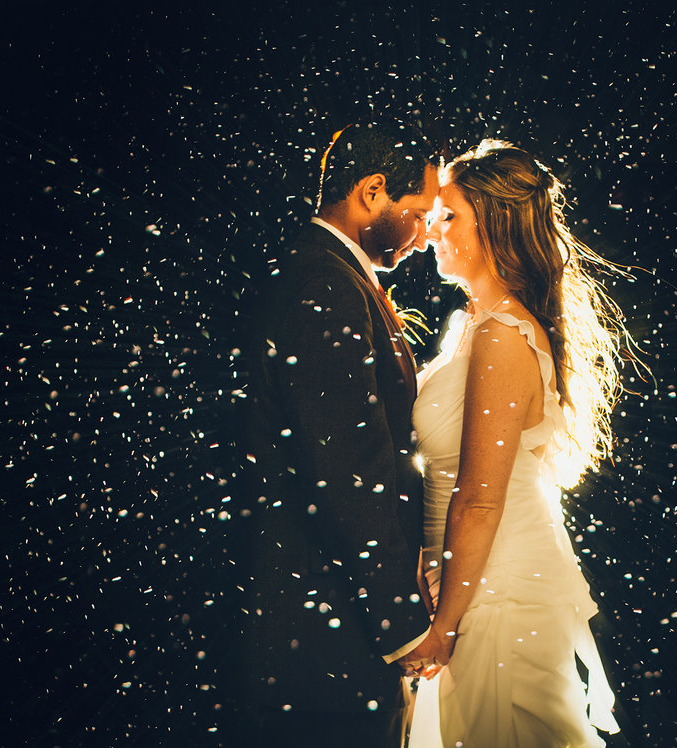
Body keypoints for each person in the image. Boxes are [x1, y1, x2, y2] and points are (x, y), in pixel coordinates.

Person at [403, 140, 628, 747]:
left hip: (493, 589)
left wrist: (447, 623)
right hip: (468, 578)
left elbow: (479, 496)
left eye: (450, 217)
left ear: (496, 233)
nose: (431, 230)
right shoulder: (474, 325)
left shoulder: (503, 335)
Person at [226, 121, 440, 747]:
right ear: (372, 192)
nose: (424, 235)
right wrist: (401, 622)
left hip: (329, 623)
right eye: (419, 213)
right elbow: (348, 464)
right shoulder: (324, 282)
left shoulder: (327, 274)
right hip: (321, 633)